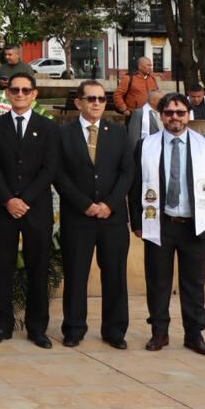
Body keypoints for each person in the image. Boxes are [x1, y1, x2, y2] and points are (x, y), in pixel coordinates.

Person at [132, 93, 205, 356]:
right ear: (161, 115)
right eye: (169, 112)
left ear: (188, 115)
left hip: (194, 226)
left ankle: (194, 334)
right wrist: (136, 222)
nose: (174, 117)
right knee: (158, 281)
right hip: (159, 224)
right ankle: (159, 333)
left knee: (193, 282)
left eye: (180, 112)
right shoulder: (146, 145)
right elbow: (134, 188)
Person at [51, 79, 134, 349]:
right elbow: (59, 174)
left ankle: (115, 331)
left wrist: (109, 204)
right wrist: (84, 204)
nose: (97, 103)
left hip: (113, 218)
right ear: (79, 103)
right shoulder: (63, 134)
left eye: (101, 99)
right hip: (78, 217)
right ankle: (74, 328)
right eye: (91, 99)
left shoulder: (119, 132)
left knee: (115, 275)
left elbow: (127, 172)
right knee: (76, 275)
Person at [0, 72, 57, 348]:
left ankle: (37, 328)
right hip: (4, 209)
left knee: (37, 269)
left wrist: (24, 200)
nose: (21, 94)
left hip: (36, 209)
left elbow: (49, 168)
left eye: (26, 90)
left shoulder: (48, 127)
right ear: (7, 93)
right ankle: (2, 326)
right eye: (15, 90)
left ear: (35, 94)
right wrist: (8, 200)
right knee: (2, 268)